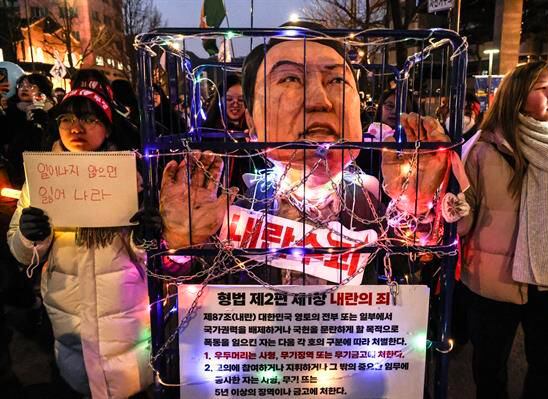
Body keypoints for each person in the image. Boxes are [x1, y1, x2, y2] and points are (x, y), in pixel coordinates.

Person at [159, 22, 392, 285]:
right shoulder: (234, 215)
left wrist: (418, 210)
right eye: (290, 79)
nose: (319, 100)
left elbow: (414, 275)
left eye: (337, 80)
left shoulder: (376, 211)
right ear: (252, 123)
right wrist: (180, 245)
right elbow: (189, 287)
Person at [444, 61, 548, 398]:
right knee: (489, 368)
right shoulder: (484, 148)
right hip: (492, 281)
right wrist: (456, 208)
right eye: (541, 87)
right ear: (516, 95)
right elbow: (463, 223)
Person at [7, 86, 161, 398]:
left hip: (128, 319)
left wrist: (146, 237)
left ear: (107, 126)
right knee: (75, 384)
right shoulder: (41, 178)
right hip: (69, 323)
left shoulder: (135, 177)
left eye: (89, 120)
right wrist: (30, 235)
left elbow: (151, 258)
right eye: (67, 120)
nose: (76, 128)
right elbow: (22, 254)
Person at [0, 73, 55, 187]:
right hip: (18, 167)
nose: (24, 88)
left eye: (31, 86)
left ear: (43, 90)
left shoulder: (53, 111)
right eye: (21, 85)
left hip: (47, 167)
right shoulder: (10, 111)